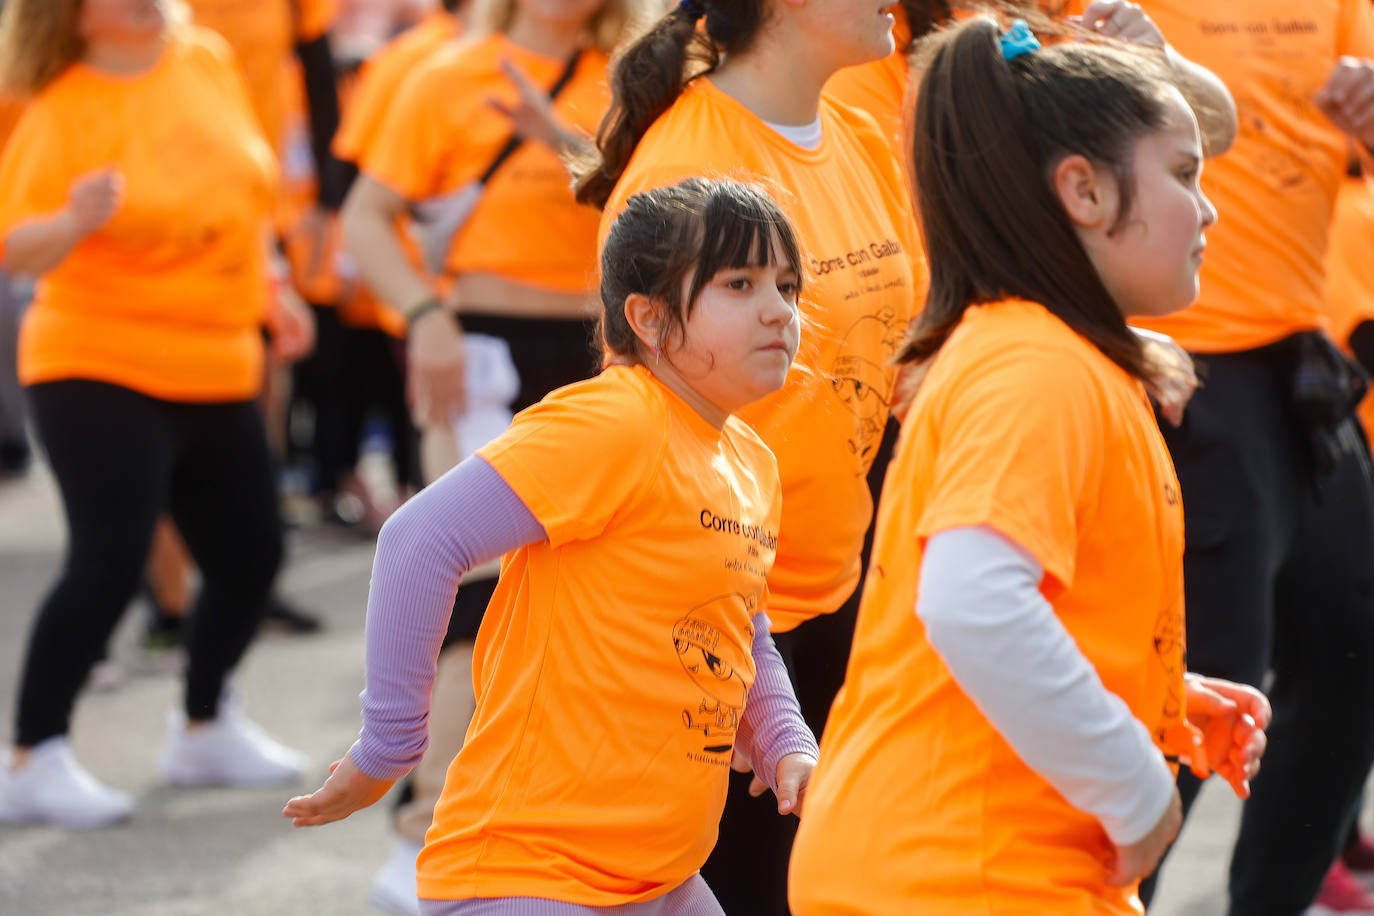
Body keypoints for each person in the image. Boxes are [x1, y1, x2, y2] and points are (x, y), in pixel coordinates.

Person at [789, 17, 1269, 914]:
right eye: (1183, 174)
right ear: (1083, 191)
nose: (1207, 210)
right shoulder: (1034, 364)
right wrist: (1137, 789)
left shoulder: (1048, 355)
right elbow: (974, 602)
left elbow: (1011, 610)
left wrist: (1154, 694)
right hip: (959, 878)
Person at [284, 177, 821, 916]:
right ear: (651, 319)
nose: (779, 310)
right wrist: (389, 748)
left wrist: (783, 736)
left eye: (789, 287)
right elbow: (419, 539)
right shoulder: (617, 419)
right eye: (740, 282)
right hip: (530, 876)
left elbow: (736, 621)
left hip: (661, 878)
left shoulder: (750, 459)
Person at [572, 3, 927, 909]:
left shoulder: (853, 130)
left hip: (842, 589)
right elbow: (645, 424)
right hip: (725, 624)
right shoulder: (691, 171)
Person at [1048, 1, 1374, 911]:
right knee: (1209, 671)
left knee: (1353, 651)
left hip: (1300, 353)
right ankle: (1095, 891)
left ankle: (1268, 900)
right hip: (1180, 358)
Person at [342, 1, 649, 911]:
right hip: (475, 345)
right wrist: (424, 317)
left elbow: (653, 206)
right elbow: (366, 219)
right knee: (467, 592)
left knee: (589, 602)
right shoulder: (446, 75)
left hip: (607, 350)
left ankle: (547, 827)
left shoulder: (639, 74)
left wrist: (555, 134)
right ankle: (425, 817)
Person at [0, 0, 315, 829]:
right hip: (98, 357)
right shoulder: (63, 100)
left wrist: (272, 291)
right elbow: (12, 242)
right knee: (110, 557)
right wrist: (71, 221)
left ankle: (203, 726)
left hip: (216, 356)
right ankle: (34, 755)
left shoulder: (204, 56)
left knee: (251, 555)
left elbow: (250, 197)